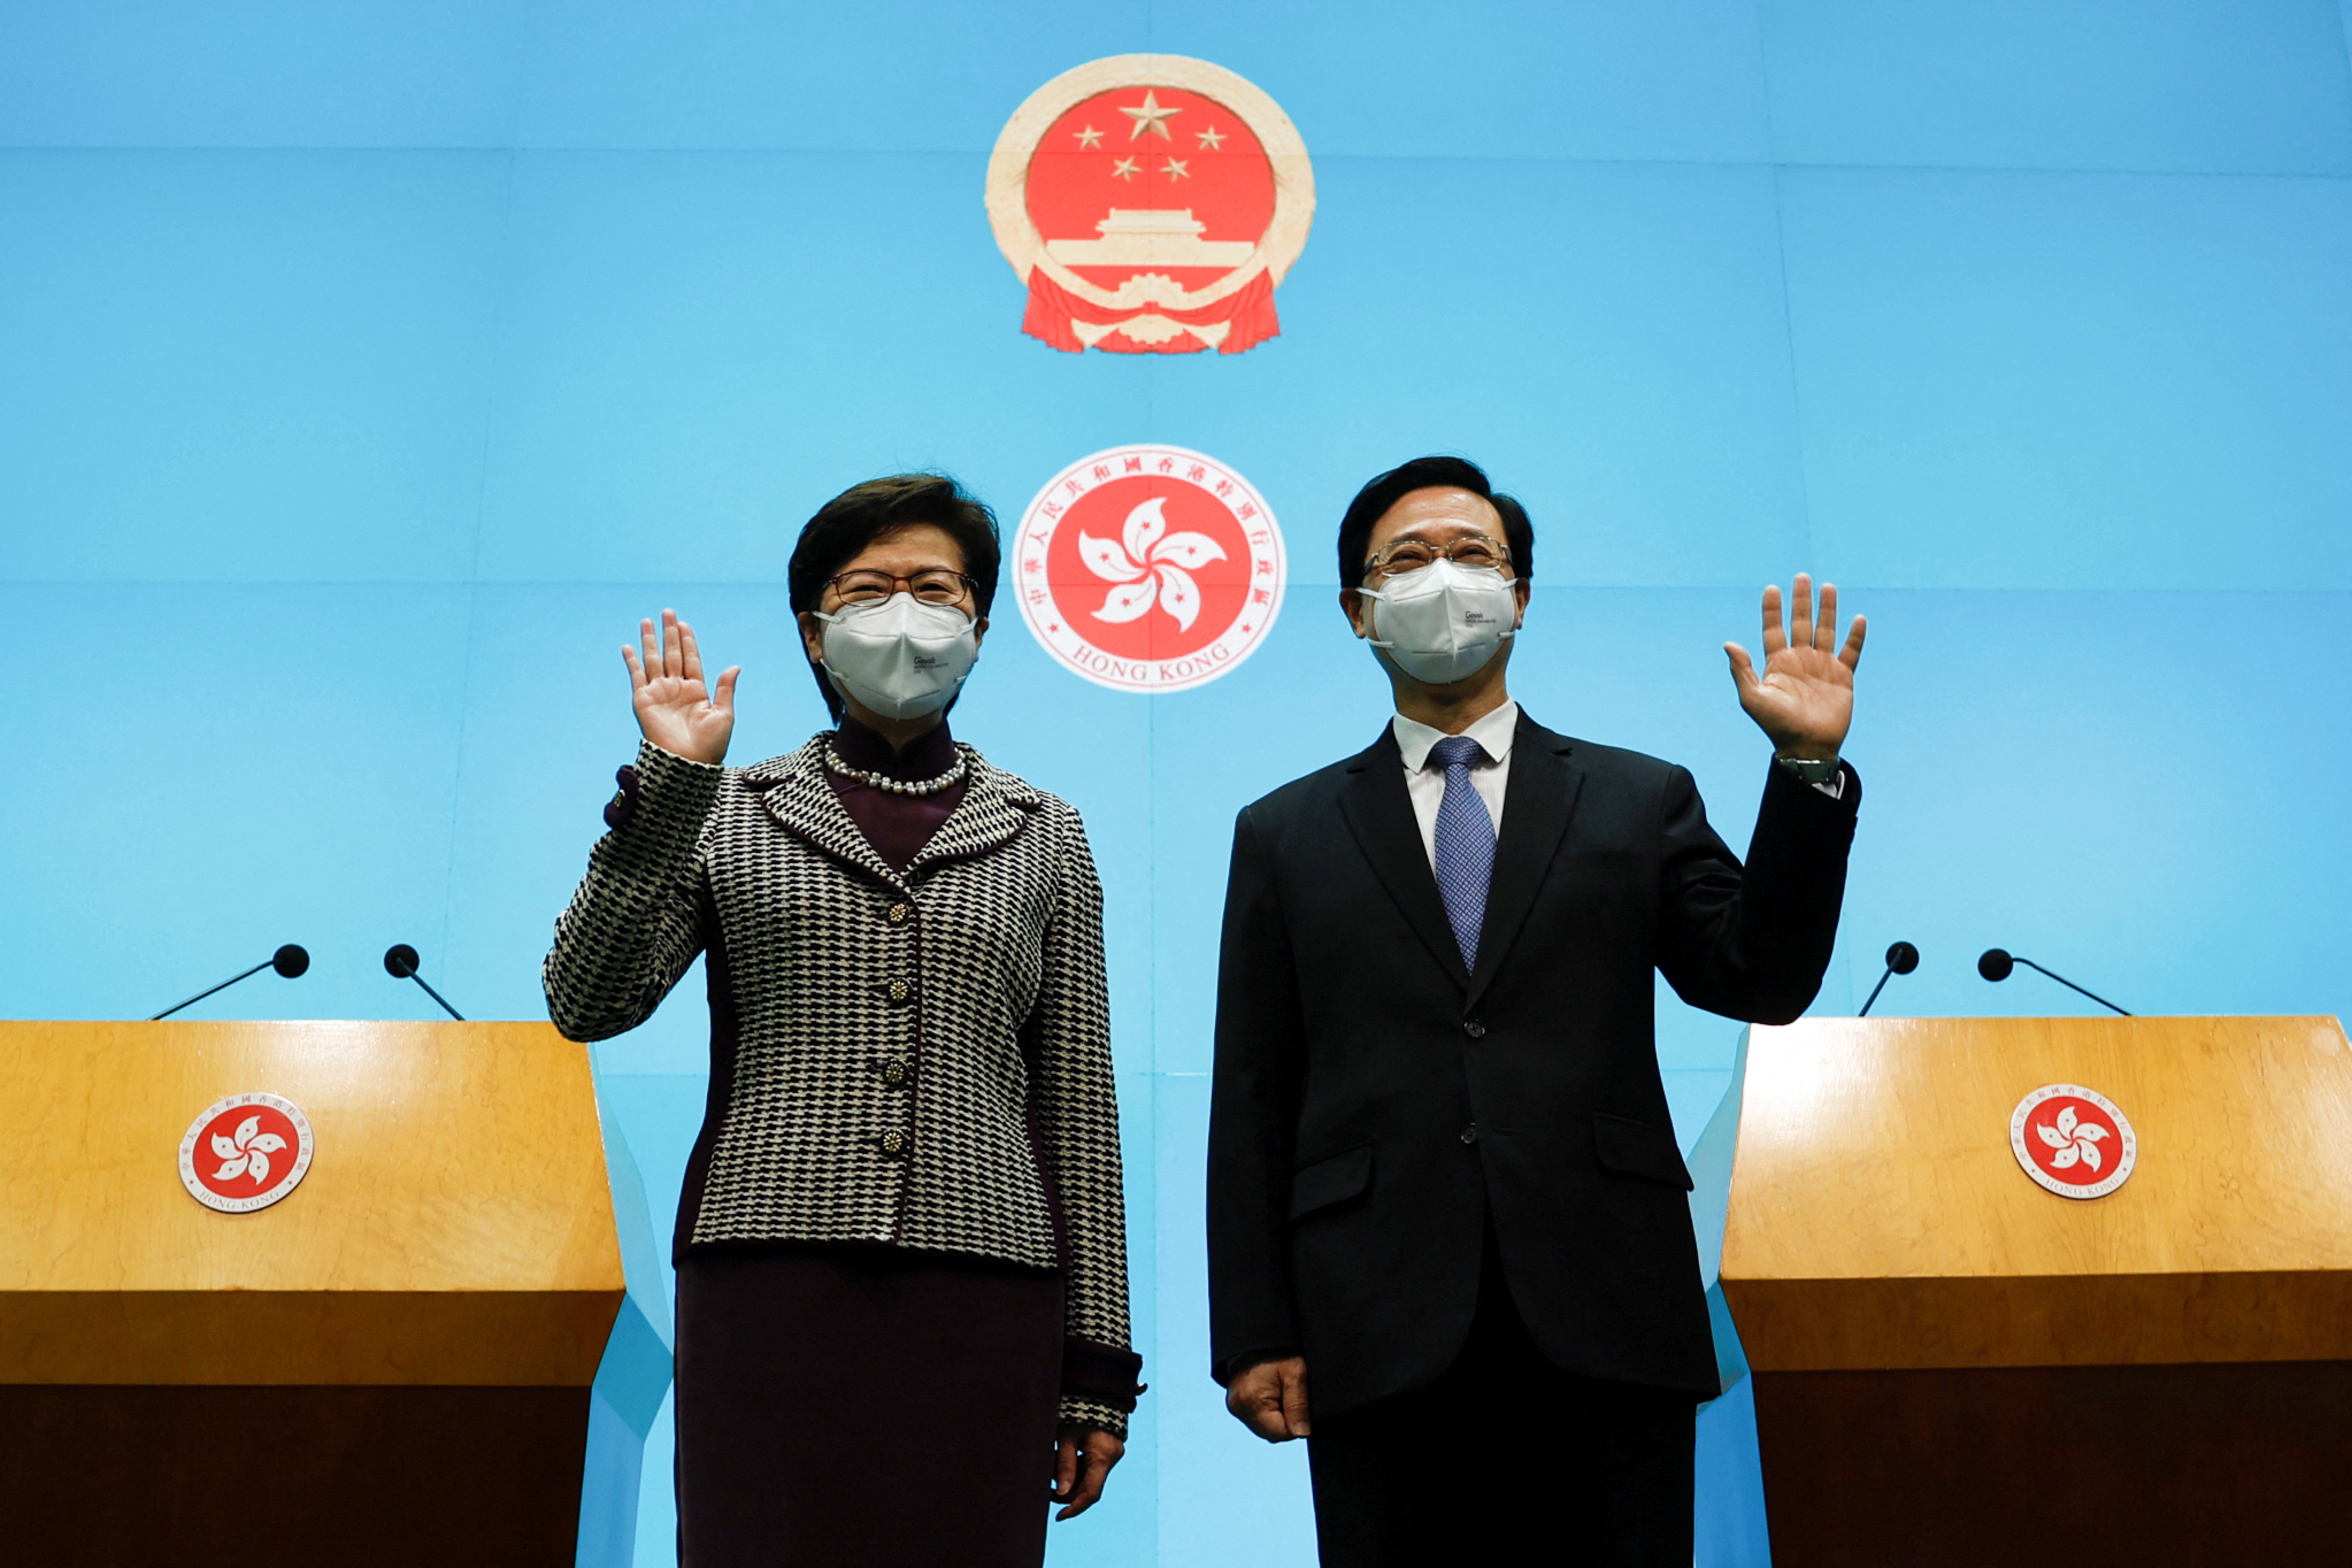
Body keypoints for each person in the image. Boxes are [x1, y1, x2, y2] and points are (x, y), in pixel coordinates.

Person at [1205, 455, 1865, 1565]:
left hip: (1605, 1305)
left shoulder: (1633, 794)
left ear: (1518, 594)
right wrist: (1254, 1329)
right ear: (1357, 609)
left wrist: (1803, 769)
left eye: (1472, 555)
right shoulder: (1285, 830)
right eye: (1406, 561)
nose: (1443, 581)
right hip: (1375, 1316)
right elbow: (1254, 1088)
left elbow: (1756, 977)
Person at [544, 474, 1142, 1566]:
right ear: (815, 633)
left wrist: (1097, 1361)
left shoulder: (1046, 831)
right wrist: (672, 781)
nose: (902, 614)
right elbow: (588, 1000)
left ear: (979, 622)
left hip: (989, 1284)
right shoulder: (727, 804)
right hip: (769, 1275)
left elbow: (1078, 1110)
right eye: (867, 590)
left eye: (933, 587)